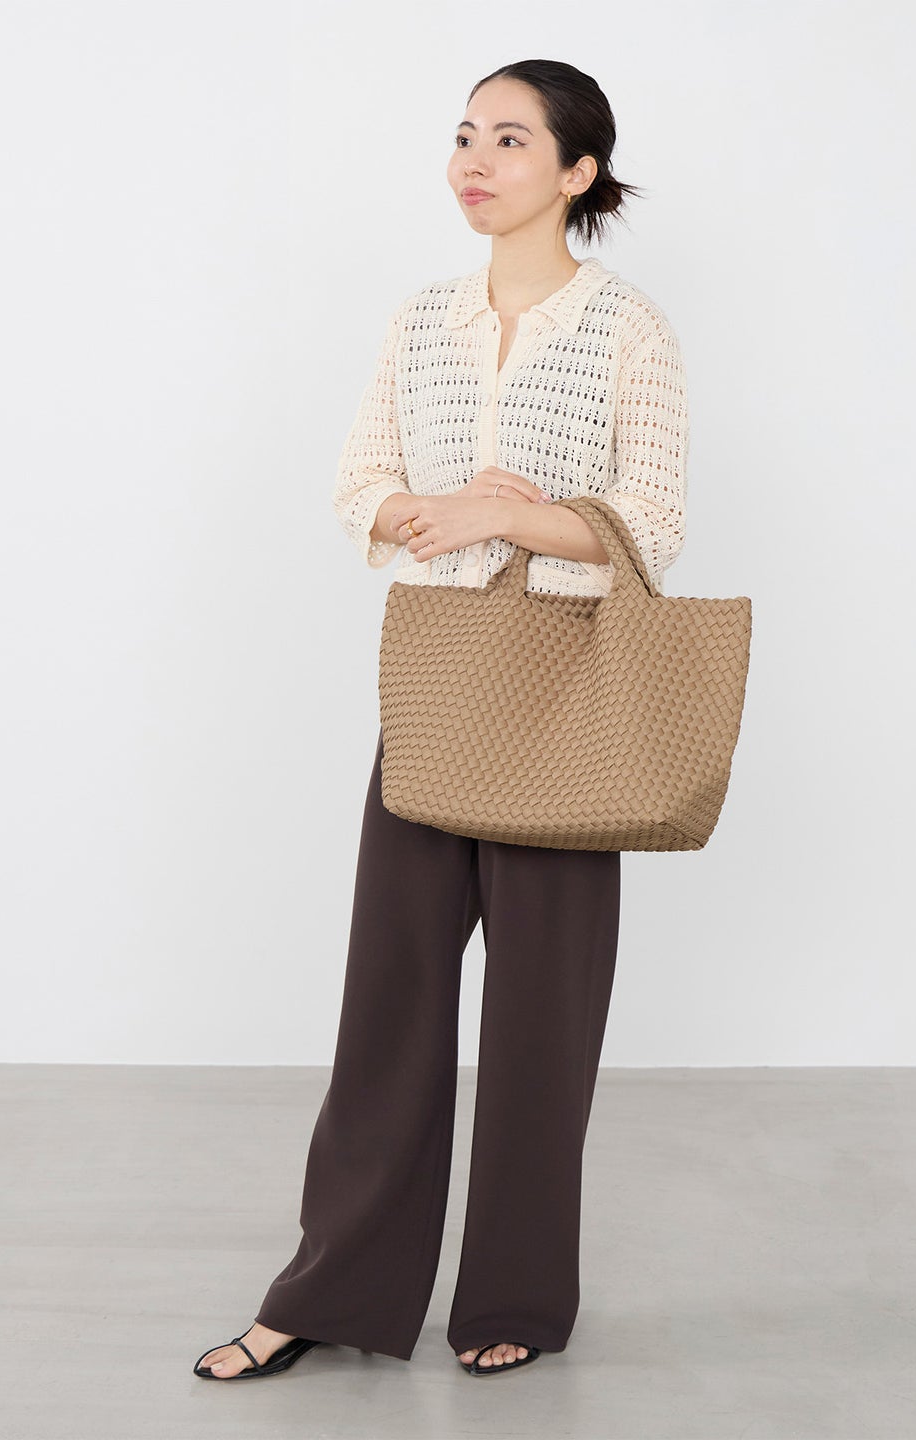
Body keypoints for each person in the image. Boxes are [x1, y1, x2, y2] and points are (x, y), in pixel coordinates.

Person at [193, 56, 689, 1383]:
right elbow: (361, 482)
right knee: (390, 1004)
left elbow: (653, 522)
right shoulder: (421, 320)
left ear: (579, 172)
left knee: (541, 1022)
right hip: (435, 687)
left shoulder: (626, 326)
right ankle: (329, 1290)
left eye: (512, 140)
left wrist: (506, 513)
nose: (475, 159)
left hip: (567, 697)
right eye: (465, 134)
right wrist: (437, 510)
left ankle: (514, 1292)